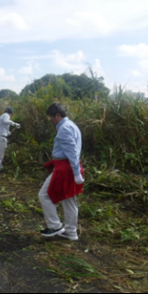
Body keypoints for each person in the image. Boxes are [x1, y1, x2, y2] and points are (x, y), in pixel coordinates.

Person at [39, 103, 84, 241]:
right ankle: (71, 232)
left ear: (57, 116)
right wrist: (76, 171)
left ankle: (55, 226)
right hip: (70, 167)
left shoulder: (64, 128)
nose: (50, 120)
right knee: (69, 200)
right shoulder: (71, 125)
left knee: (44, 195)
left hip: (65, 168)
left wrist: (76, 173)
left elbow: (71, 152)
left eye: (51, 117)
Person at [0, 107, 21, 172]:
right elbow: (6, 121)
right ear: (10, 113)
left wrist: (9, 133)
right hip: (0, 137)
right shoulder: (6, 115)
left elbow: (4, 130)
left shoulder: (3, 117)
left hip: (0, 136)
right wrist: (15, 124)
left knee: (0, 153)